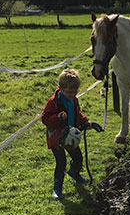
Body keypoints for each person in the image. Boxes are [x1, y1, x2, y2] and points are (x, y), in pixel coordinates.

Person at [41, 68, 101, 199]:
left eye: (75, 92)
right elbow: (45, 118)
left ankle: (74, 173)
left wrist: (87, 123)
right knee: (60, 163)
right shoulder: (54, 102)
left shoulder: (73, 100)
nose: (72, 94)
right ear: (60, 88)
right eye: (69, 92)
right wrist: (58, 117)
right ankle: (57, 189)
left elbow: (77, 114)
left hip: (71, 138)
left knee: (78, 158)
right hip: (57, 139)